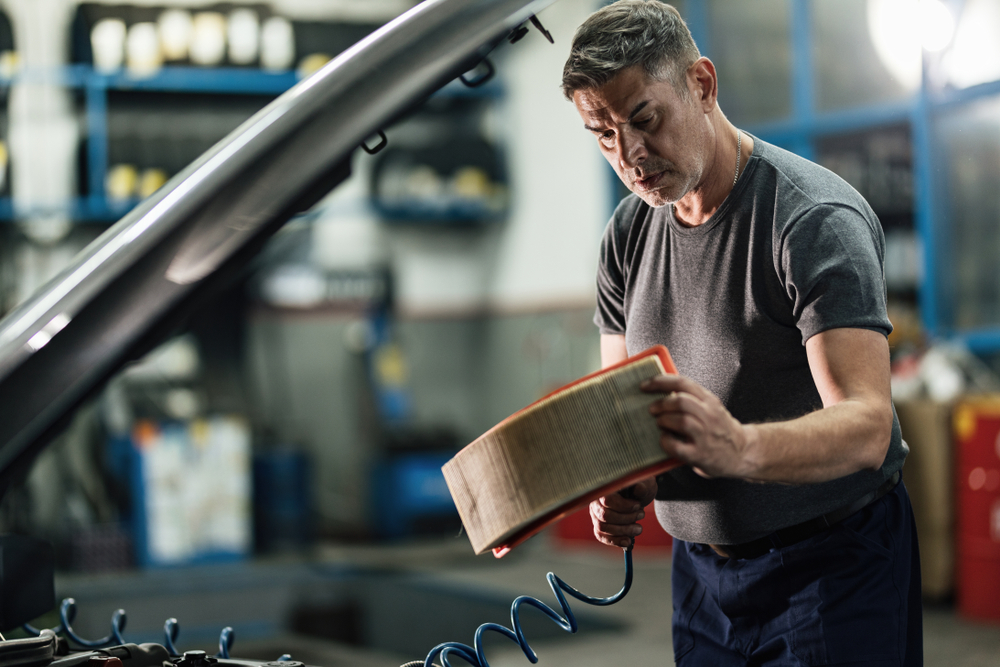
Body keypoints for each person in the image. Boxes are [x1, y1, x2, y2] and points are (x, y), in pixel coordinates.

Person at [561, 1, 922, 665]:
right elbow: (624, 416)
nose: (631, 155)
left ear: (702, 83)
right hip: (701, 579)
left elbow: (869, 426)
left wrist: (739, 446)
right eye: (603, 134)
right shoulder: (628, 236)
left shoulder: (810, 221)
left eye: (644, 119)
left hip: (831, 569)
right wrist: (626, 482)